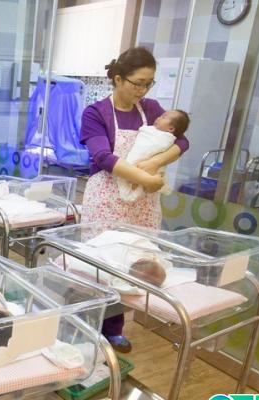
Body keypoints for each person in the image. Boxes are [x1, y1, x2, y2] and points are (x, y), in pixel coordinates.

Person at [79, 47, 190, 353]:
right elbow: (102, 157)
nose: (143, 90)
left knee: (134, 263)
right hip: (107, 197)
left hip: (142, 201)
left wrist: (153, 164)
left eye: (148, 84)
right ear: (118, 79)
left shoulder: (151, 109)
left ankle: (114, 328)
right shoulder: (96, 113)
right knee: (102, 264)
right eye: (138, 83)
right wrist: (144, 177)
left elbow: (182, 140)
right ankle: (87, 327)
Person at [117, 109, 190, 201]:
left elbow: (184, 143)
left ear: (171, 129)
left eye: (163, 117)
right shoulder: (103, 109)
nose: (158, 117)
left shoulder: (150, 107)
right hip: (113, 182)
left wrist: (154, 162)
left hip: (147, 190)